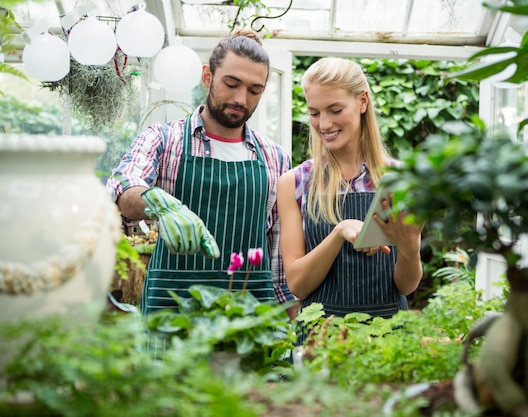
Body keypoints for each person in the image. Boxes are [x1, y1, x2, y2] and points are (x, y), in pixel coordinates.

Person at [107, 29, 297, 318]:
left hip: (249, 318)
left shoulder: (276, 158)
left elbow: (279, 254)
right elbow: (121, 186)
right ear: (207, 76)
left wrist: (293, 323)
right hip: (171, 311)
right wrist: (159, 204)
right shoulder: (164, 139)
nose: (241, 99)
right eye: (231, 84)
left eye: (254, 90)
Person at [277, 57, 424, 325]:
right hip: (320, 338)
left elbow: (406, 286)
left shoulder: (400, 179)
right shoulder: (295, 182)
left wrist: (409, 248)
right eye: (314, 113)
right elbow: (297, 284)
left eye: (335, 110)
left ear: (362, 102)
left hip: (386, 337)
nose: (323, 124)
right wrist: (339, 233)